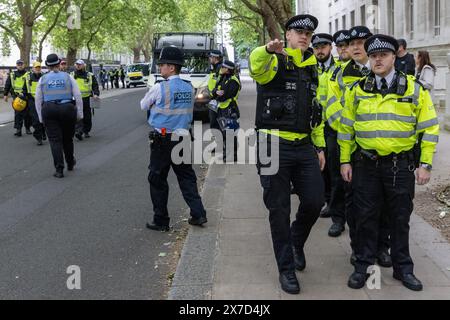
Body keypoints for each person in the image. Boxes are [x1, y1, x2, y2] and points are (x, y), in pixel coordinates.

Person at [338, 34, 439, 291]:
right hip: (366, 165)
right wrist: (344, 161)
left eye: (383, 55)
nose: (377, 60)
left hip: (400, 166)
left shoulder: (414, 88)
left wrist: (425, 164)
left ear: (395, 56)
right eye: (373, 56)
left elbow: (429, 128)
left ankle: (403, 269)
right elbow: (346, 129)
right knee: (365, 218)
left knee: (399, 219)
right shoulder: (357, 89)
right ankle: (363, 267)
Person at [250, 14, 326, 295]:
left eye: (308, 33)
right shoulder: (274, 61)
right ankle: (286, 269)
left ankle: (295, 241)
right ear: (287, 35)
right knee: (278, 209)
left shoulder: (313, 68)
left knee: (315, 200)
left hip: (304, 145)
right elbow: (256, 67)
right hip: (273, 144)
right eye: (298, 31)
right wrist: (266, 50)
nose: (304, 36)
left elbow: (316, 113)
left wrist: (319, 146)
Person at [140, 46, 207, 232]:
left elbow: (143, 104)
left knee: (157, 179)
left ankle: (161, 220)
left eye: (162, 65)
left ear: (171, 67)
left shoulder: (160, 87)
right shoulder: (188, 87)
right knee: (186, 177)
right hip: (183, 138)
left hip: (162, 140)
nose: (160, 68)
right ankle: (198, 213)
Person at [35, 53, 83, 178]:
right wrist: (79, 114)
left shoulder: (43, 79)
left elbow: (38, 99)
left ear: (47, 65)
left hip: (49, 110)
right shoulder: (68, 77)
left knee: (55, 140)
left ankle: (59, 169)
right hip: (67, 109)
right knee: (68, 139)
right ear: (59, 63)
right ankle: (70, 162)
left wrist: (41, 117)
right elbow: (77, 96)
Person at [312, 33, 339, 218]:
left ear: (330, 47)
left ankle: (334, 206)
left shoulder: (339, 70)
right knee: (319, 166)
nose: (320, 50)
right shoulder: (310, 68)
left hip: (332, 125)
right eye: (316, 47)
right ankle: (324, 198)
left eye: (323, 46)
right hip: (314, 125)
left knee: (333, 168)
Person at [210, 60, 241, 162]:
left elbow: (224, 96)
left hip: (229, 109)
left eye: (223, 67)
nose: (221, 68)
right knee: (224, 132)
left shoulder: (234, 80)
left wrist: (218, 93)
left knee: (230, 132)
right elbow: (214, 91)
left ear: (227, 69)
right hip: (222, 108)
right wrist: (216, 92)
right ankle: (227, 153)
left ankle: (233, 155)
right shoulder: (223, 77)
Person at [71, 59, 100, 140]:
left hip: (87, 98)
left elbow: (95, 85)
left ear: (84, 65)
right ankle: (78, 132)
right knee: (78, 115)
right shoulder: (72, 75)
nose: (78, 66)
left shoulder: (90, 75)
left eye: (80, 64)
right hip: (76, 99)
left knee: (87, 116)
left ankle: (86, 131)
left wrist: (96, 94)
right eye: (77, 64)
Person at [3, 59, 32, 136]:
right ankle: (18, 129)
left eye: (21, 64)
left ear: (24, 65)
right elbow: (7, 84)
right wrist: (5, 94)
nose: (20, 65)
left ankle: (27, 128)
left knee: (27, 114)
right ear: (16, 65)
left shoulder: (28, 74)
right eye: (18, 64)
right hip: (16, 97)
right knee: (18, 113)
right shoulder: (12, 74)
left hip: (26, 96)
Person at [23, 61, 46, 145]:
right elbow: (24, 89)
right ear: (33, 68)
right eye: (36, 67)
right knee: (36, 120)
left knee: (43, 118)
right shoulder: (28, 77)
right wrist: (23, 97)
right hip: (32, 101)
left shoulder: (44, 77)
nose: (38, 69)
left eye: (39, 67)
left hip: (43, 101)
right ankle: (38, 137)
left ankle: (43, 132)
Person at [207, 50, 223, 130]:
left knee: (215, 120)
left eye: (210, 57)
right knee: (213, 119)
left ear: (214, 57)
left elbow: (222, 83)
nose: (209, 59)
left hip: (217, 99)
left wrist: (215, 92)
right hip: (213, 98)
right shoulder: (215, 68)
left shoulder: (220, 68)